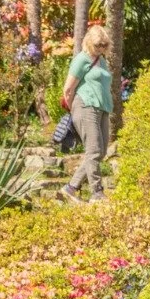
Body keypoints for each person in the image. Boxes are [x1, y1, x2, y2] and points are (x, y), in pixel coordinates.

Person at [61, 24, 113, 203]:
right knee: (93, 149)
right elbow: (68, 88)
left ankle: (71, 187)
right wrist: (74, 108)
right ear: (90, 43)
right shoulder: (82, 59)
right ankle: (97, 192)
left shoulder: (102, 60)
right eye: (98, 45)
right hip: (85, 106)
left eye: (104, 45)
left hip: (103, 108)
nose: (101, 48)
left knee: (101, 151)